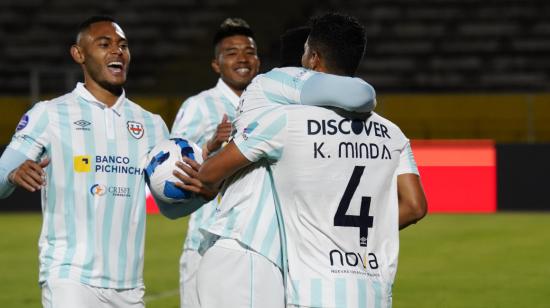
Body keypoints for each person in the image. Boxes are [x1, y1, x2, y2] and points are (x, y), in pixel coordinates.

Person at [197, 12, 427, 307]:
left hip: (313, 287)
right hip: (375, 289)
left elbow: (209, 173)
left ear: (313, 59)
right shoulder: (392, 133)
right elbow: (416, 206)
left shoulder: (287, 120)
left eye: (305, 51)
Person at [0, 15, 195, 308]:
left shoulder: (152, 124)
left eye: (123, 45)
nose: (118, 51)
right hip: (70, 278)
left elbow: (168, 208)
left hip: (129, 287)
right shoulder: (49, 114)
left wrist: (203, 191)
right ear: (79, 54)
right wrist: (12, 175)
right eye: (105, 44)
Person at [168, 17, 260, 308]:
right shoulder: (199, 106)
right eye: (231, 52)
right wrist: (211, 145)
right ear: (216, 65)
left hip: (259, 246)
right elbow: (170, 168)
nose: (242, 58)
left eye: (249, 51)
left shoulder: (270, 104)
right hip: (207, 244)